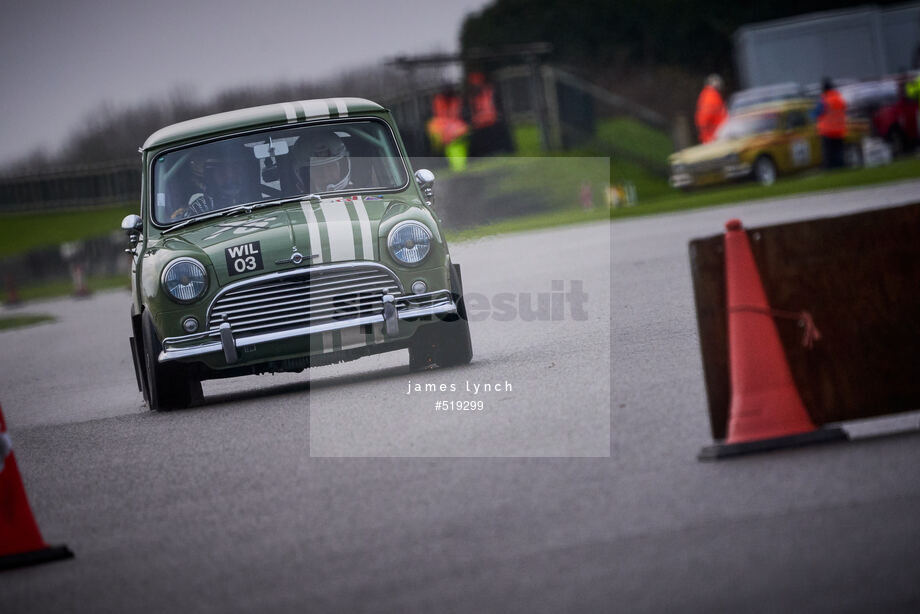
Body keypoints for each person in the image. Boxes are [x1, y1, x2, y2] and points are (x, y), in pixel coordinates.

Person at [174, 147, 249, 219]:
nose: (230, 176)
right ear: (212, 176)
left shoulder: (258, 196)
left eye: (235, 168)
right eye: (221, 170)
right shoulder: (202, 207)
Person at [812, 78, 847, 169]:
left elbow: (815, 113)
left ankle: (830, 168)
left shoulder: (824, 100)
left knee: (829, 154)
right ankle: (841, 167)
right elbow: (844, 109)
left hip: (827, 132)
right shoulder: (839, 98)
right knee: (839, 152)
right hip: (839, 131)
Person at [695, 74, 728, 144]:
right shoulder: (710, 95)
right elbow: (705, 116)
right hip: (715, 134)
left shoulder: (708, 94)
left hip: (714, 133)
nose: (719, 84)